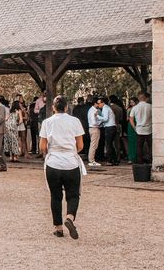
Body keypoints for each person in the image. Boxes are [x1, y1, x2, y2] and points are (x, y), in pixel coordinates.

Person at [39, 95, 85, 240]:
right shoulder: (75, 121)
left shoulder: (47, 122)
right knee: (73, 194)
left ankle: (58, 228)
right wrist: (71, 151)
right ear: (66, 107)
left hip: (53, 162)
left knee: (55, 196)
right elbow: (80, 145)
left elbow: (42, 146)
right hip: (70, 162)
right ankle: (70, 217)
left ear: (53, 108)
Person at [130, 91, 153, 164]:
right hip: (149, 129)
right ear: (145, 98)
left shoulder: (135, 108)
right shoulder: (150, 106)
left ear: (139, 98)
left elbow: (131, 119)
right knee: (150, 146)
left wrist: (134, 127)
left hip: (139, 130)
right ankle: (150, 160)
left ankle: (140, 162)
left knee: (139, 147)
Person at [96, 97, 118, 166]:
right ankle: (115, 160)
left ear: (103, 103)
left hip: (109, 128)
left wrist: (97, 116)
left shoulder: (105, 108)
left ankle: (110, 161)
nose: (98, 105)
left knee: (108, 145)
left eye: (99, 103)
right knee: (110, 144)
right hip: (112, 127)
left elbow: (105, 119)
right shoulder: (107, 108)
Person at [87, 97, 102, 167]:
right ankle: (91, 160)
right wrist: (101, 121)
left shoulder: (92, 110)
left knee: (94, 144)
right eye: (98, 103)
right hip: (94, 128)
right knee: (93, 145)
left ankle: (92, 159)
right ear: (95, 103)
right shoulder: (93, 111)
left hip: (93, 128)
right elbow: (94, 122)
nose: (100, 104)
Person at [126, 97, 139, 164]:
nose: (131, 103)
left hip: (137, 124)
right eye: (130, 102)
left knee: (137, 141)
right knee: (131, 142)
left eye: (132, 102)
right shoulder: (129, 109)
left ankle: (137, 157)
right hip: (131, 125)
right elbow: (127, 118)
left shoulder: (138, 108)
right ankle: (131, 157)